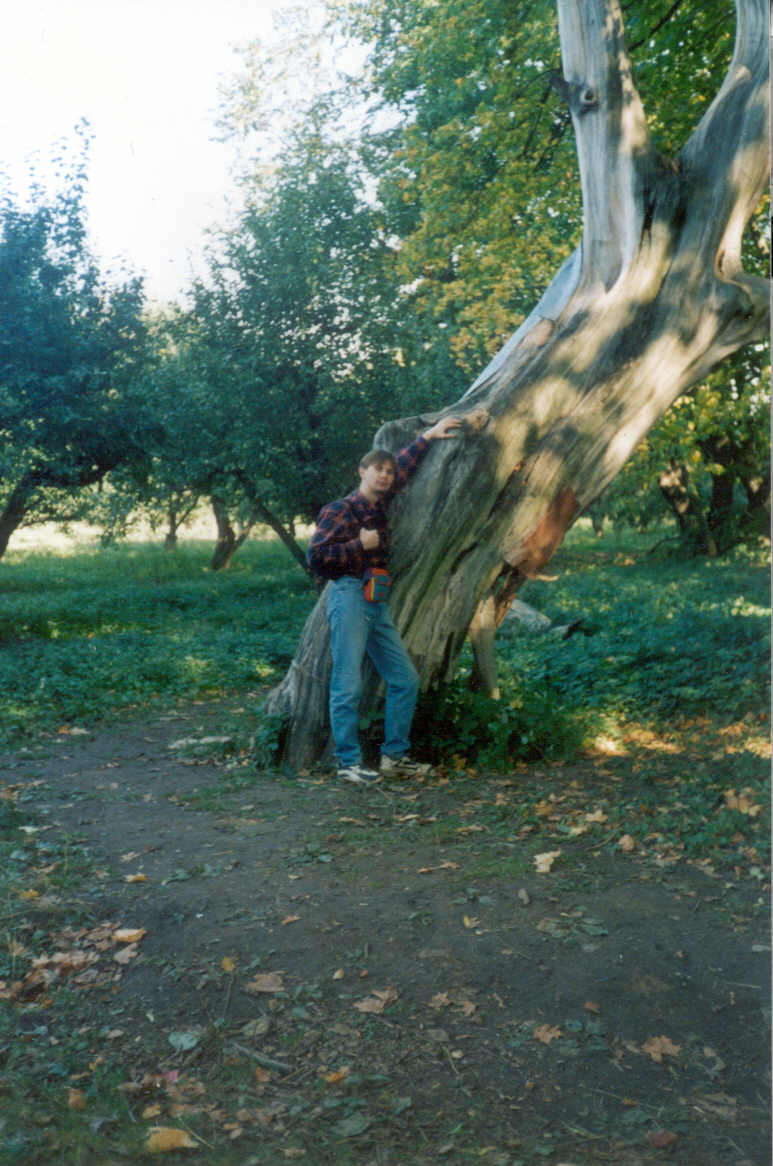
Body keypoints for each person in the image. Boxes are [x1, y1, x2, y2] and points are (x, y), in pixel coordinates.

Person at [306, 417, 462, 784]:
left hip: (376, 600)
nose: (385, 476)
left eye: (388, 472)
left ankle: (394, 756)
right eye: (377, 470)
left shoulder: (380, 503)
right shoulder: (340, 510)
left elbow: (405, 467)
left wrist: (428, 435)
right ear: (361, 472)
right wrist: (358, 545)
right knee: (347, 682)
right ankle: (348, 763)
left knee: (404, 678)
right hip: (349, 595)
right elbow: (316, 556)